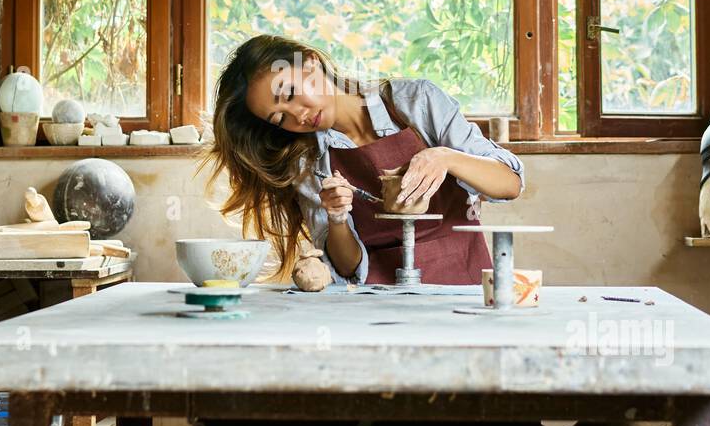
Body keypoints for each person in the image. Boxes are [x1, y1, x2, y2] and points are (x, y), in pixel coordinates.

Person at [200, 34, 523, 286]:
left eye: (289, 94)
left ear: (310, 63)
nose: (297, 115)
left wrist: (444, 157)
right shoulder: (307, 160)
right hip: (378, 298)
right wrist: (337, 218)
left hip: (464, 281)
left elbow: (509, 185)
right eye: (279, 118)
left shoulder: (416, 102)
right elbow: (346, 266)